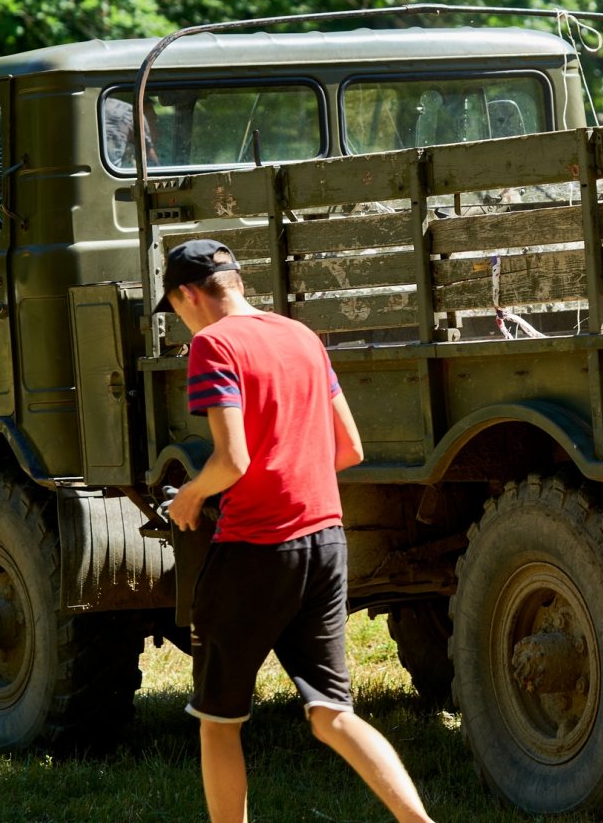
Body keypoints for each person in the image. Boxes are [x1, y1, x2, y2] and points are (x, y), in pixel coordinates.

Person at [162, 239, 435, 823]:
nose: (181, 322)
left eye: (176, 309)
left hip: (254, 551)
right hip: (326, 543)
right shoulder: (301, 336)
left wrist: (190, 495)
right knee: (331, 715)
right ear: (236, 282)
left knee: (219, 719)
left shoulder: (212, 345)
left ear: (187, 295)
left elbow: (231, 461)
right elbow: (350, 448)